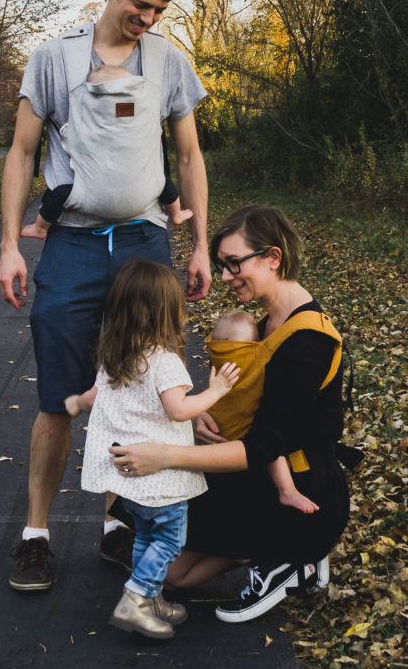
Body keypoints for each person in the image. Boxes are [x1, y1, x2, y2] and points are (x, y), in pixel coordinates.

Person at [0, 0, 212, 592]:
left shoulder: (168, 61)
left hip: (145, 246)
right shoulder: (53, 58)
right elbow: (21, 150)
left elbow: (190, 156)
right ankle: (36, 536)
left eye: (157, 10)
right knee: (59, 395)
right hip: (74, 246)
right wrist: (10, 244)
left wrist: (200, 241)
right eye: (138, 4)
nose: (146, 19)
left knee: (145, 389)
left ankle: (122, 524)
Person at [110, 204, 358, 623]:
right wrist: (195, 417)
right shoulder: (263, 323)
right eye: (223, 266)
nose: (225, 277)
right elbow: (238, 402)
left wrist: (164, 455)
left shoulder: (308, 341)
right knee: (169, 572)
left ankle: (296, 553)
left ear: (273, 258)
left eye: (233, 264)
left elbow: (264, 445)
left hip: (299, 490)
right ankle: (277, 553)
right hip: (254, 474)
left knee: (167, 559)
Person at [64, 260, 239, 640]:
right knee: (169, 541)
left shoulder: (116, 357)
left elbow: (96, 396)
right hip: (162, 483)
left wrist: (77, 402)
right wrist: (214, 393)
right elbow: (179, 410)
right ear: (167, 312)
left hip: (134, 486)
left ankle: (153, 599)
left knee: (144, 537)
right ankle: (136, 598)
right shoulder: (165, 362)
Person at [20, 64, 192, 241]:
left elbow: (67, 136)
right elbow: (155, 132)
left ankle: (40, 228)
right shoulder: (140, 122)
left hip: (90, 198)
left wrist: (65, 129)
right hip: (140, 196)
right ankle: (176, 214)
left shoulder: (83, 128)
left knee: (59, 194)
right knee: (162, 180)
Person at [207, 310, 319, 514]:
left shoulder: (231, 372)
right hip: (232, 436)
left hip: (230, 439)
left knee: (269, 446)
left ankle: (287, 490)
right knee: (272, 450)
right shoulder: (255, 365)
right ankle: (287, 490)